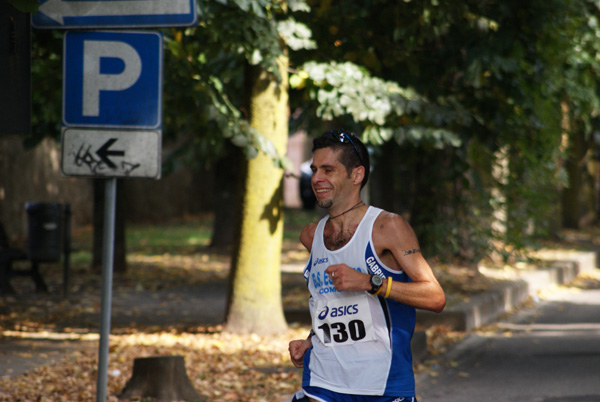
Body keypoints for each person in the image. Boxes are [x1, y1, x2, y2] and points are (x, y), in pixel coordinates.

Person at [288, 130, 446, 402]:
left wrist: (370, 282)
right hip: (324, 381)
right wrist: (311, 340)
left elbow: (435, 297)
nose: (316, 179)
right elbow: (328, 303)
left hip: (381, 385)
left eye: (328, 170)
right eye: (314, 169)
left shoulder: (387, 227)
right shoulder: (311, 235)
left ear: (357, 175)